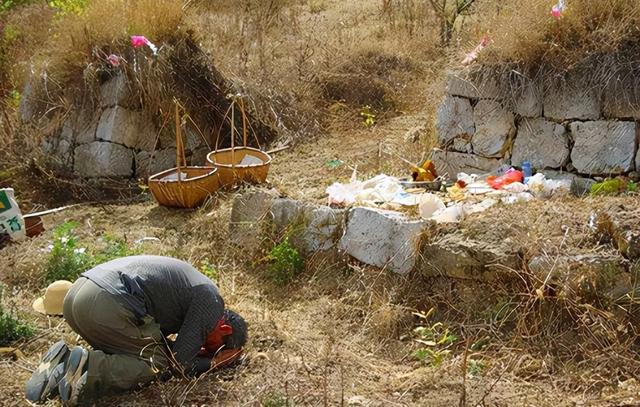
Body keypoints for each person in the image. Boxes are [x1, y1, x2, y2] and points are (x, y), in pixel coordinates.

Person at [25, 255, 247, 406]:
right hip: (107, 301)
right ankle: (86, 366)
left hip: (78, 295)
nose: (205, 349)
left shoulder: (197, 289)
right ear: (224, 328)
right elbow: (179, 363)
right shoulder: (211, 301)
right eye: (213, 346)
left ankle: (63, 364)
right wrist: (215, 363)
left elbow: (162, 345)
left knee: (141, 352)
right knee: (155, 364)